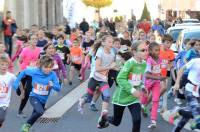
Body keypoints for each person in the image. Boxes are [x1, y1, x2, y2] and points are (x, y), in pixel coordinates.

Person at [107, 40, 147, 132]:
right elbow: (120, 79)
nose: (145, 52)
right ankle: (105, 118)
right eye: (142, 50)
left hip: (133, 98)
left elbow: (138, 80)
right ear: (134, 52)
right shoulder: (129, 63)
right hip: (121, 97)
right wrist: (132, 90)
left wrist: (142, 87)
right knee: (116, 122)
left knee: (137, 120)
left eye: (146, 50)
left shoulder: (144, 64)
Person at [13, 55, 60, 132]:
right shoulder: (35, 71)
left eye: (50, 67)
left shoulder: (52, 74)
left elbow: (58, 88)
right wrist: (16, 82)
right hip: (34, 97)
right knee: (40, 112)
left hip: (43, 100)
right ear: (41, 66)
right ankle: (26, 125)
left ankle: (27, 128)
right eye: (46, 67)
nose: (48, 69)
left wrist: (53, 85)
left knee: (35, 114)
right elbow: (23, 72)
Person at [78, 35, 116, 128]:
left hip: (103, 79)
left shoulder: (113, 52)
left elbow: (114, 63)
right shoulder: (100, 51)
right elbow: (98, 68)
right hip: (94, 78)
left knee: (107, 95)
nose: (112, 44)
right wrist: (110, 67)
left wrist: (115, 66)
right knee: (89, 99)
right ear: (103, 43)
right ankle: (82, 101)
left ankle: (102, 118)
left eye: (112, 42)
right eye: (109, 42)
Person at [140, 42, 166, 128]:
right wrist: (158, 78)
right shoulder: (148, 60)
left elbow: (163, 69)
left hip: (156, 83)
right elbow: (147, 75)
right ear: (150, 51)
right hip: (147, 83)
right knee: (144, 99)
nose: (158, 52)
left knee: (155, 100)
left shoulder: (160, 59)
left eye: (159, 50)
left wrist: (163, 75)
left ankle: (153, 121)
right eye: (156, 50)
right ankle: (143, 106)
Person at [173, 58, 200, 131]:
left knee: (186, 116)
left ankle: (179, 110)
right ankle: (197, 123)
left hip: (198, 92)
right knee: (196, 110)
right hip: (189, 89)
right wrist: (177, 83)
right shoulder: (195, 61)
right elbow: (181, 69)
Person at [17, 34, 41, 118]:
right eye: (33, 39)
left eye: (36, 39)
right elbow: (20, 60)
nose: (34, 40)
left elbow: (38, 60)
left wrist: (36, 65)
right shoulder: (25, 50)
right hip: (24, 71)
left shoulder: (38, 50)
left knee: (27, 92)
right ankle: (20, 92)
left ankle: (20, 111)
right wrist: (24, 66)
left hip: (32, 73)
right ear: (29, 40)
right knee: (19, 90)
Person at [0, 55, 16, 128]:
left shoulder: (11, 76)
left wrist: (21, 92)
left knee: (1, 118)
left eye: (6, 65)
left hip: (4, 102)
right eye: (2, 64)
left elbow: (18, 82)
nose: (4, 66)